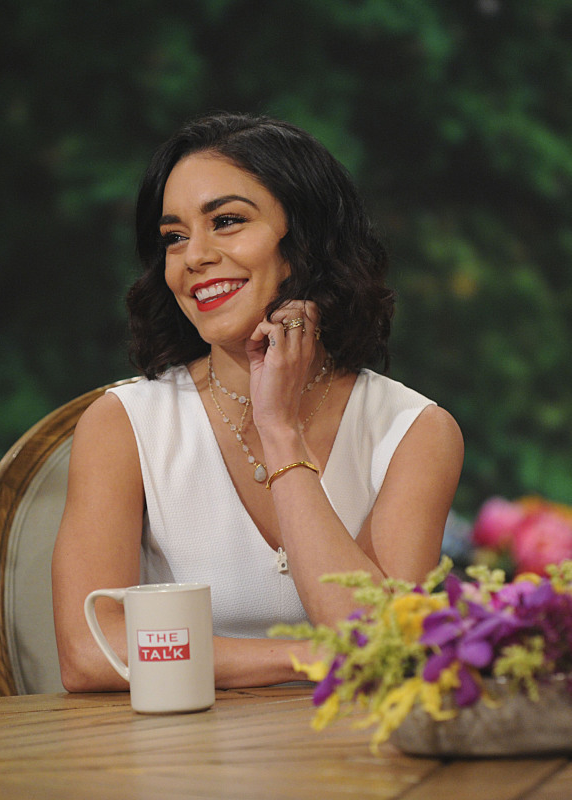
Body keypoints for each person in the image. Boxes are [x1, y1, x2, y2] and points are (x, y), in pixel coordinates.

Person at [52, 112, 464, 692]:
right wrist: (307, 657)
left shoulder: (415, 431)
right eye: (174, 237)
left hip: (357, 747)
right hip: (180, 747)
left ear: (304, 242)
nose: (194, 256)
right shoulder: (122, 424)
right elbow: (90, 652)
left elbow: (382, 642)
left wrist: (280, 431)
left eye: (226, 222)